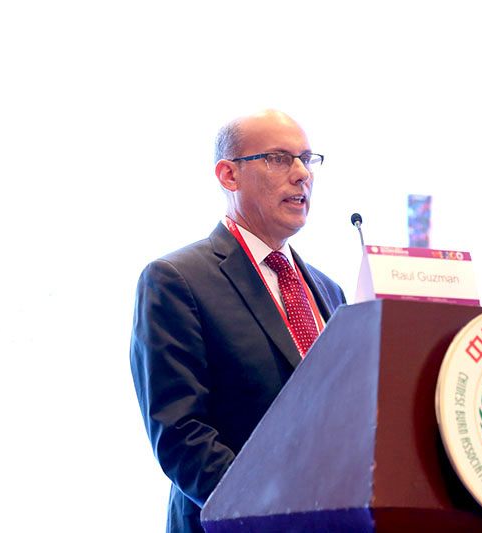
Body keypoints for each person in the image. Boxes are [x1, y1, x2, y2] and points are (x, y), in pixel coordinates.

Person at [130, 110, 346, 533]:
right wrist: (275, 514)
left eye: (307, 159)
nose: (302, 174)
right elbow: (181, 434)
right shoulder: (177, 280)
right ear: (229, 175)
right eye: (279, 159)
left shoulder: (330, 291)